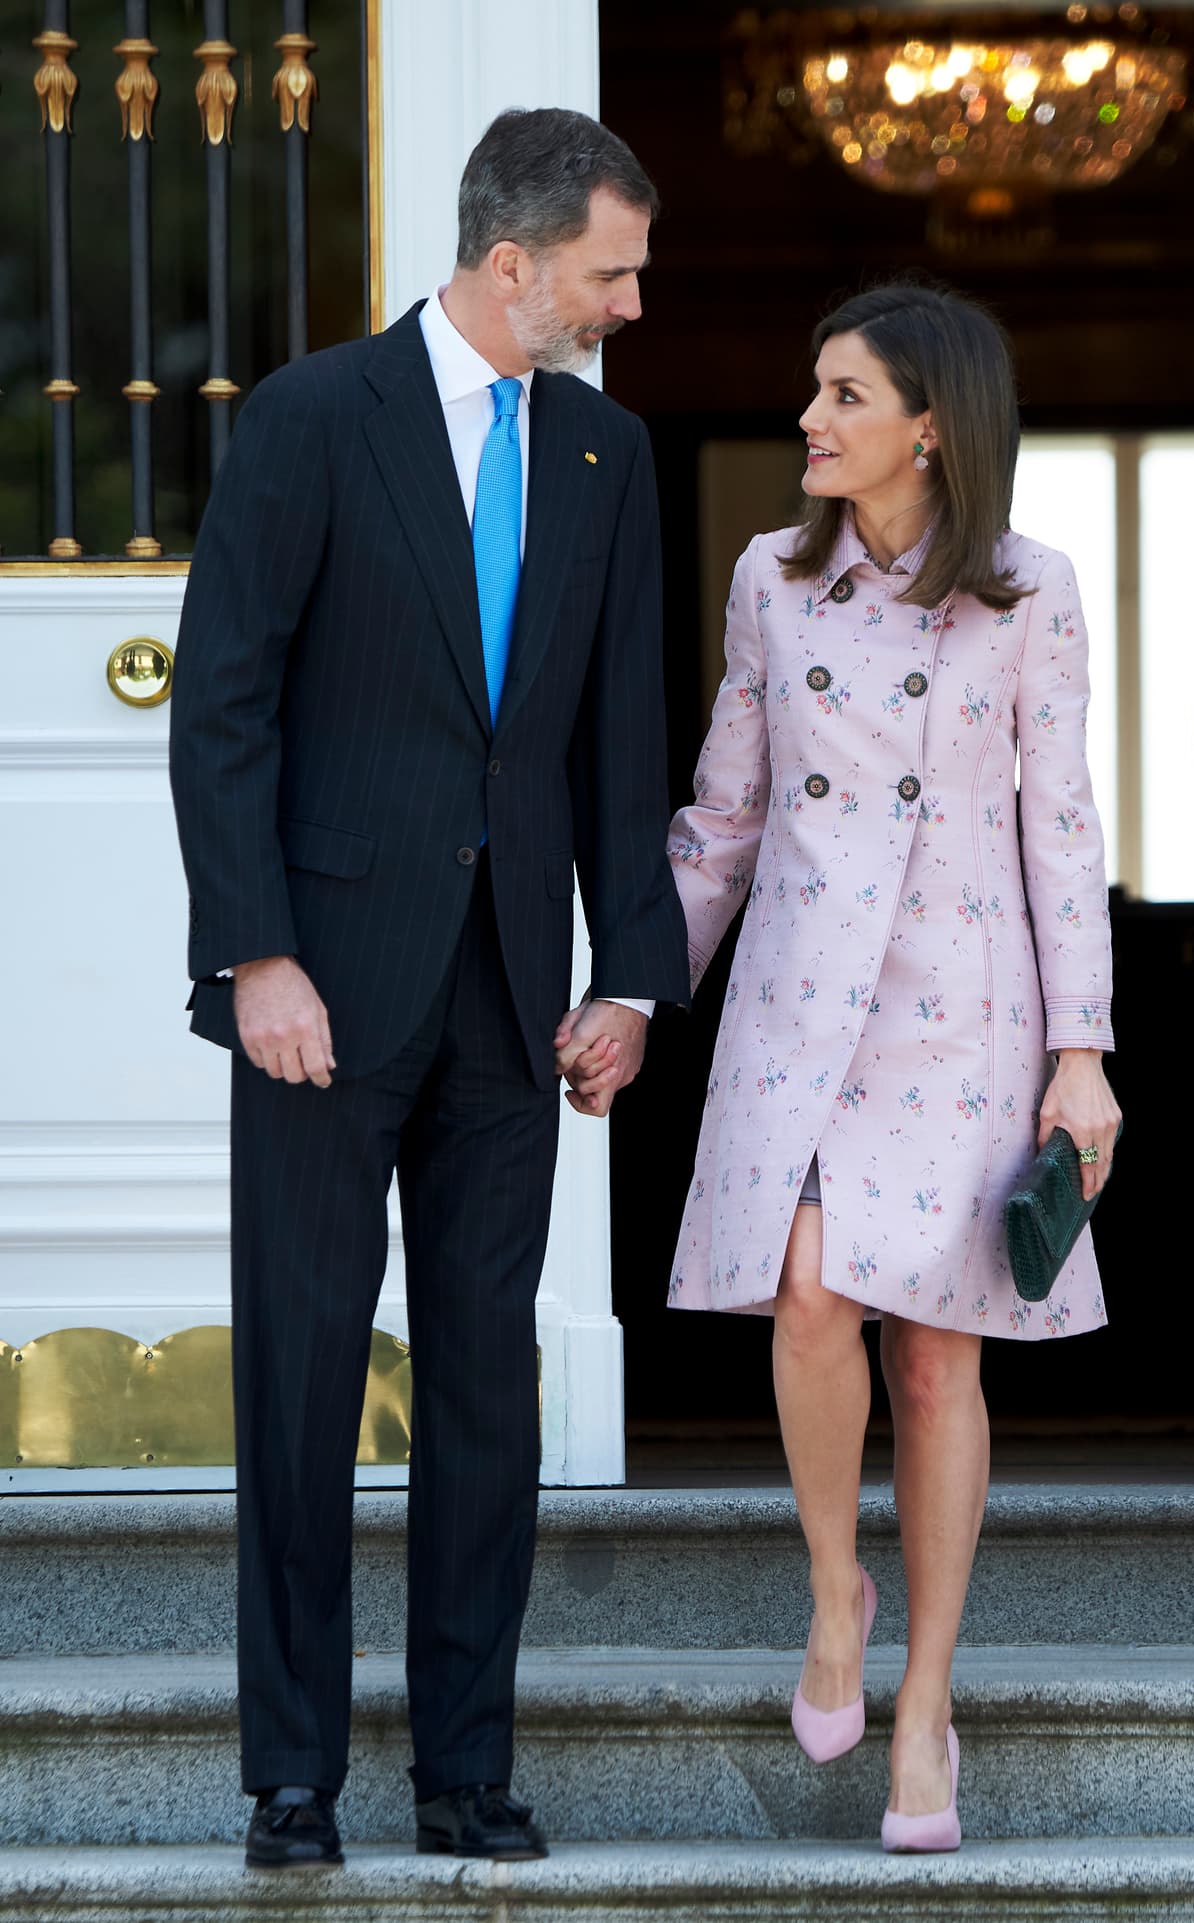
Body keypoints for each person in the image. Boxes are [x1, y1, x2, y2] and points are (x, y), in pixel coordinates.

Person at [169, 106, 688, 1870]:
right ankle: (291, 1779)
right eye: (611, 270)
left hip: (513, 1010)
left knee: (489, 1392)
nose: (631, 301)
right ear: (513, 260)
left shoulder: (612, 455)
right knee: (305, 1386)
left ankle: (467, 1771)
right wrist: (254, 954)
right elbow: (222, 702)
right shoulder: (314, 420)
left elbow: (628, 743)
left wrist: (633, 978)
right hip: (317, 996)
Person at [658, 282, 1121, 1851]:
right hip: (800, 997)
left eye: (844, 395)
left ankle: (925, 1701)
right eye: (813, 391)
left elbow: (1063, 826)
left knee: (937, 1354)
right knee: (805, 1293)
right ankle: (831, 1590)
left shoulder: (1033, 591)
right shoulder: (772, 585)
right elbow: (724, 816)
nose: (811, 419)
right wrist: (634, 990)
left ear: (930, 423)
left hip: (963, 1007)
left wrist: (1083, 1055)